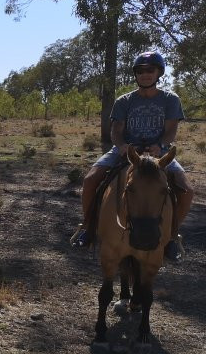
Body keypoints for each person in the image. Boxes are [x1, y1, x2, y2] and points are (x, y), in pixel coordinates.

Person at [71, 51, 193, 261]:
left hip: (159, 152)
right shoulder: (124, 101)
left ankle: (171, 237)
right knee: (90, 179)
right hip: (127, 151)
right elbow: (116, 130)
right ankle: (88, 228)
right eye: (140, 71)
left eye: (150, 70)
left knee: (187, 190)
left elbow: (171, 129)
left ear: (159, 73)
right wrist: (121, 145)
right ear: (136, 74)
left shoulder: (170, 99)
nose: (145, 74)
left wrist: (160, 145)